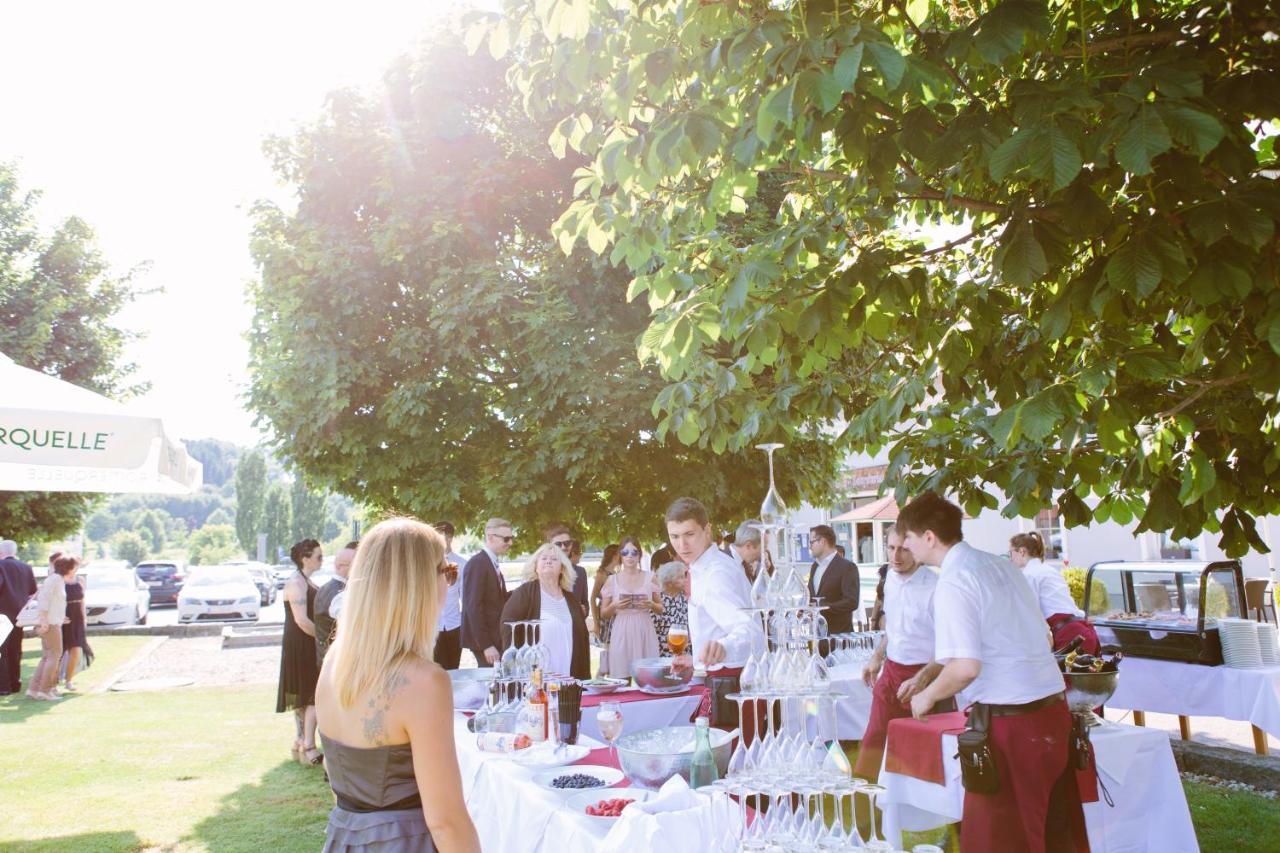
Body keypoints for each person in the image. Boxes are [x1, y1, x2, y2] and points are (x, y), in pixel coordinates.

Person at [901, 493, 1086, 853]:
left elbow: (966, 667)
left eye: (907, 536)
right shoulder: (1000, 566)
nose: (904, 545)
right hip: (1052, 715)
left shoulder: (954, 580)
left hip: (1012, 726)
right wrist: (928, 675)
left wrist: (927, 696)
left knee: (1002, 843)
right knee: (1054, 837)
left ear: (928, 537)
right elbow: (1032, 635)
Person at [315, 517, 481, 853]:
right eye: (446, 571)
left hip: (346, 838)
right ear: (417, 583)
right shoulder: (424, 681)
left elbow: (339, 784)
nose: (449, 583)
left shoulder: (335, 661)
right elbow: (446, 821)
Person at [853, 524, 947, 780]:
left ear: (916, 549)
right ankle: (861, 809)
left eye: (903, 549)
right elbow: (893, 628)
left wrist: (922, 679)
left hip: (927, 677)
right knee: (873, 739)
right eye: (891, 548)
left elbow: (949, 646)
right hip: (891, 672)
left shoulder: (938, 587)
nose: (895, 556)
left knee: (927, 755)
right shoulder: (890, 579)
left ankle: (931, 811)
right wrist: (877, 657)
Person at [667, 498, 764, 668]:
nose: (682, 545)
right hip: (719, 676)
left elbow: (750, 631)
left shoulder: (716, 573)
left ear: (707, 530)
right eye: (674, 536)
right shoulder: (703, 567)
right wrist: (697, 661)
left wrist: (724, 648)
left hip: (731, 684)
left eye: (689, 534)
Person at [499, 544, 591, 679]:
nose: (548, 561)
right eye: (543, 558)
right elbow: (507, 629)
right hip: (535, 677)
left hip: (568, 676)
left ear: (562, 568)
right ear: (535, 567)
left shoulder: (570, 599)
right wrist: (515, 670)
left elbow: (582, 639)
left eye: (554, 559)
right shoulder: (524, 593)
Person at [1010, 532, 1100, 655]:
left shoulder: (1029, 575)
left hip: (1069, 637)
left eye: (1011, 553)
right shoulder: (1049, 570)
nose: (1010, 558)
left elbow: (1029, 615)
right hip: (1084, 631)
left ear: (1021, 552)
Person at [278, 538, 323, 765]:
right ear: (305, 559)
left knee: (307, 696)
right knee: (310, 695)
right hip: (301, 643)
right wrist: (324, 638)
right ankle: (308, 745)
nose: (321, 560)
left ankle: (301, 741)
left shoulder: (306, 581)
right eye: (318, 556)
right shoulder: (296, 582)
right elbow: (302, 621)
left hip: (306, 642)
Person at [600, 536, 662, 680]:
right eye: (625, 552)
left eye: (634, 552)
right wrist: (615, 605)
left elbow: (661, 608)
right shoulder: (612, 580)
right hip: (622, 629)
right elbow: (603, 613)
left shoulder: (650, 577)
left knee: (649, 678)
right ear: (620, 555)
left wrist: (651, 604)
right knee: (621, 679)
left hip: (644, 628)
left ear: (640, 555)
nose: (630, 556)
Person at [461, 517, 513, 667]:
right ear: (490, 537)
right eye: (506, 538)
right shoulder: (478, 564)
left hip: (495, 638)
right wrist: (486, 645)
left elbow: (496, 600)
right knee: (491, 685)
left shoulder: (490, 562)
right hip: (486, 642)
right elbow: (473, 607)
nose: (510, 543)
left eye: (511, 538)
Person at [29, 555, 77, 700]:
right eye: (74, 567)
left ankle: (34, 689)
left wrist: (61, 617)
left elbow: (53, 603)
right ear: (68, 568)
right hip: (50, 624)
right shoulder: (55, 579)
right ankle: (44, 690)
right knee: (55, 655)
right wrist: (44, 621)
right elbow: (44, 600)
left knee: (47, 657)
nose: (75, 570)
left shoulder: (57, 580)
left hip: (53, 621)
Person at [807, 524, 860, 634]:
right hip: (816, 638)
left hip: (839, 639)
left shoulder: (847, 567)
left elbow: (852, 602)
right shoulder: (814, 566)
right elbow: (810, 596)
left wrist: (823, 607)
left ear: (822, 541)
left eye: (811, 542)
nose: (810, 546)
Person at [0, 540, 37, 696]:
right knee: (16, 649)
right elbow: (32, 591)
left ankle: (3, 686)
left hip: (2, 613)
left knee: (2, 651)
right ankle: (15, 683)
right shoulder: (26, 568)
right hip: (19, 615)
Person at [315, 541, 357, 668]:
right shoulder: (339, 595)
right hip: (337, 666)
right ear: (339, 566)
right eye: (354, 565)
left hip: (331, 663)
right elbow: (352, 629)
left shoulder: (327, 589)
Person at [431, 523, 465, 670]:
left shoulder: (462, 563)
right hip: (433, 626)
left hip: (454, 624)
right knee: (438, 668)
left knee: (454, 667)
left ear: (450, 538)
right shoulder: (427, 564)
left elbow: (465, 595)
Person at [545, 522, 590, 616]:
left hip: (573, 628)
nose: (563, 547)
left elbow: (585, 603)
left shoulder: (580, 572)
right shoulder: (540, 571)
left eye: (567, 543)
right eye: (558, 544)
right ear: (550, 546)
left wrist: (584, 611)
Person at [60, 563, 93, 690]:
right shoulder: (60, 581)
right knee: (60, 652)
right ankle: (52, 681)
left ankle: (69, 680)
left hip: (78, 619)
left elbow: (82, 601)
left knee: (77, 651)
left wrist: (84, 618)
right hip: (64, 619)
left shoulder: (80, 580)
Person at [590, 543, 619, 674]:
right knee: (608, 653)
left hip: (616, 617)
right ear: (615, 555)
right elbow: (593, 598)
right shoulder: (602, 574)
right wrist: (596, 624)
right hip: (606, 617)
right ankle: (599, 679)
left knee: (614, 653)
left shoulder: (616, 573)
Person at [651, 561, 689, 655]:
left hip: (685, 652)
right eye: (680, 577)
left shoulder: (685, 598)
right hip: (663, 654)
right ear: (669, 583)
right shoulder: (657, 601)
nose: (685, 580)